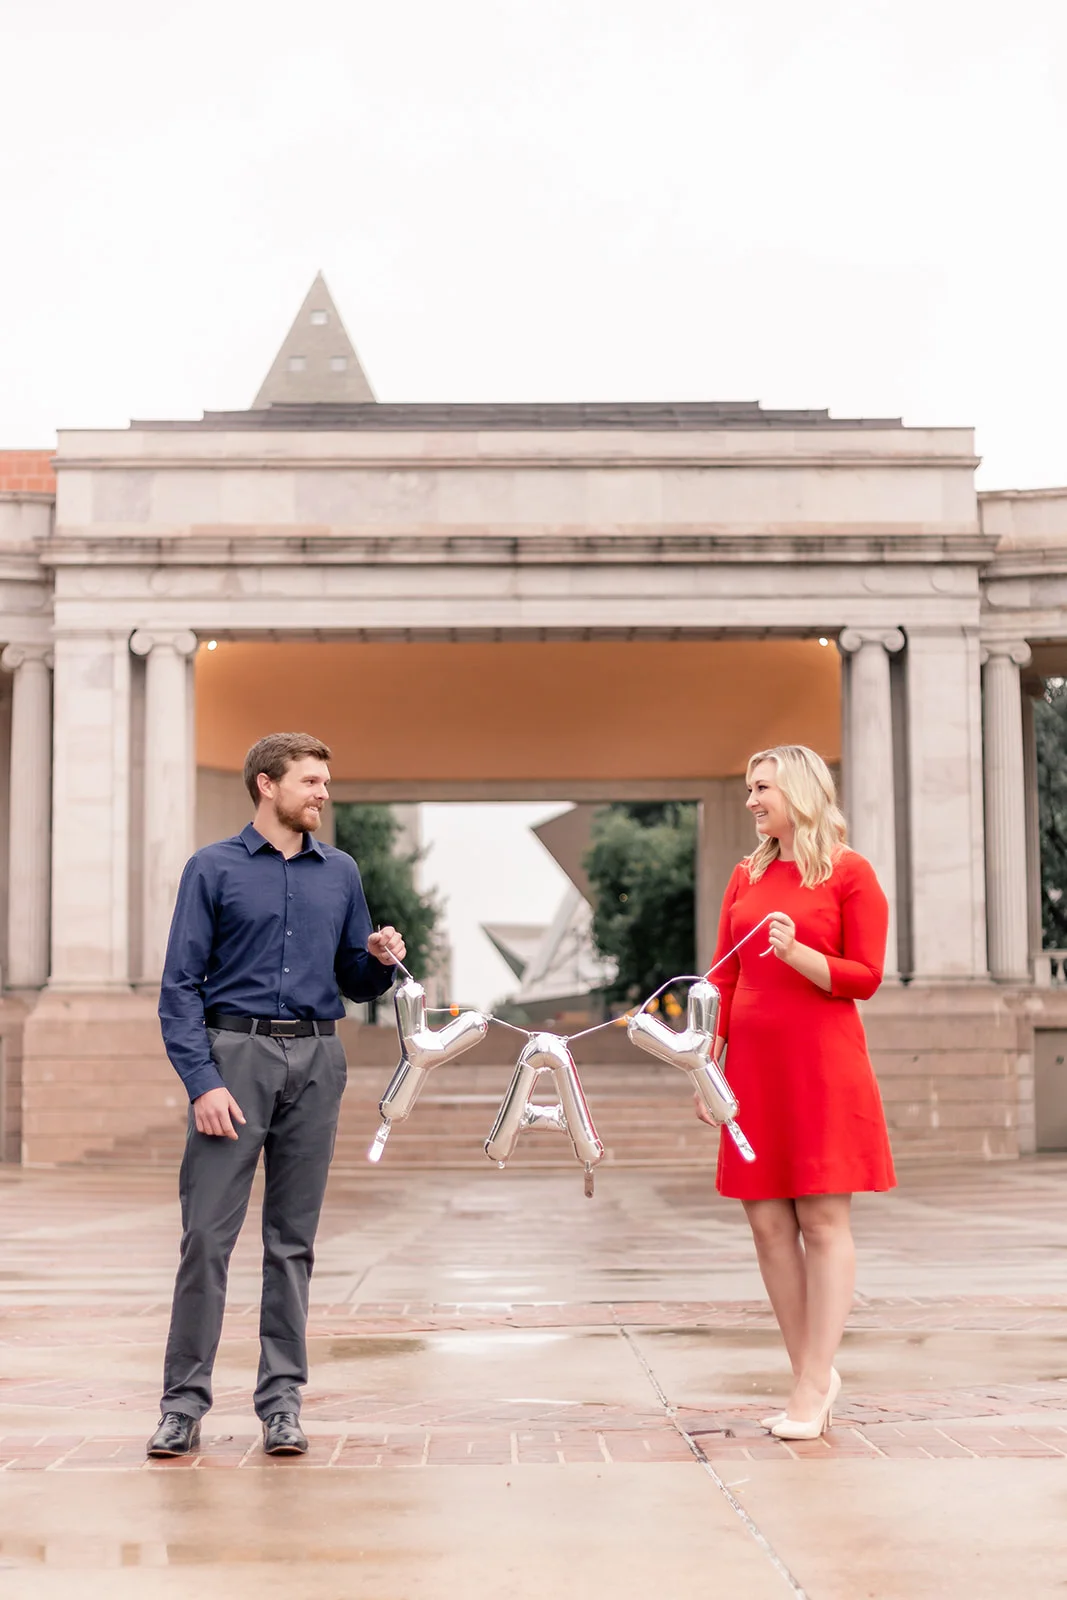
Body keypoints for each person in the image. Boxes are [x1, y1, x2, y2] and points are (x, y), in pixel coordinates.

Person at [147, 732, 406, 1459]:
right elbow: (179, 989)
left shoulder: (341, 873)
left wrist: (379, 961)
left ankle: (282, 1403)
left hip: (319, 1057)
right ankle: (181, 1406)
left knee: (292, 1244)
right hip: (234, 1057)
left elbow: (353, 979)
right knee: (206, 1239)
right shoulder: (212, 869)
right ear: (268, 785)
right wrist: (203, 1081)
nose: (324, 793)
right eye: (312, 781)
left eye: (326, 782)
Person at [696, 743, 895, 1440]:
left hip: (820, 1064)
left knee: (820, 1221)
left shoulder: (849, 872)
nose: (751, 800)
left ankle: (812, 1382)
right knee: (766, 1224)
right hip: (750, 1066)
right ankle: (810, 1373)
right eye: (750, 789)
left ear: (798, 793)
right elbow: (720, 979)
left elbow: (866, 975)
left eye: (761, 789)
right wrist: (708, 1064)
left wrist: (798, 954)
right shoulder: (744, 874)